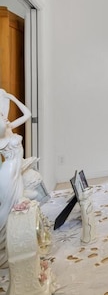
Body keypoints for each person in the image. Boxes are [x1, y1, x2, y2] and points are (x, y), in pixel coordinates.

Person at [0, 88, 31, 268]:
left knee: (15, 206)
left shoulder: (9, 129)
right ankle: (5, 242)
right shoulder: (3, 136)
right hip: (8, 174)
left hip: (16, 172)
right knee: (8, 208)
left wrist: (11, 97)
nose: (5, 116)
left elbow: (27, 114)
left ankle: (15, 241)